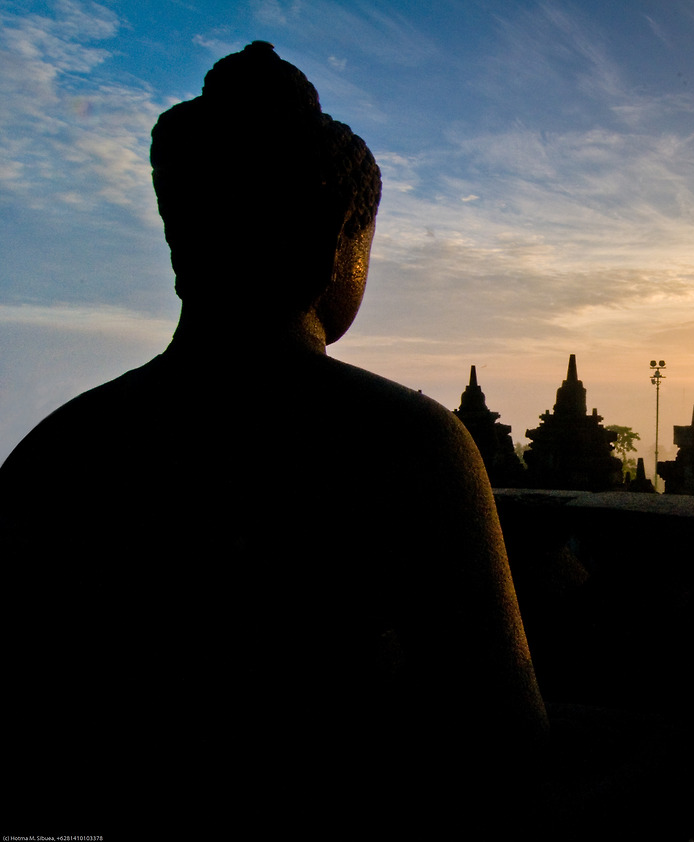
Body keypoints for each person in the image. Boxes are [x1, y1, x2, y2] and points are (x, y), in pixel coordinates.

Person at [1, 41, 546, 830]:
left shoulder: (63, 449)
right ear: (333, 241)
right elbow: (504, 745)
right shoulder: (409, 444)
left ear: (181, 239)